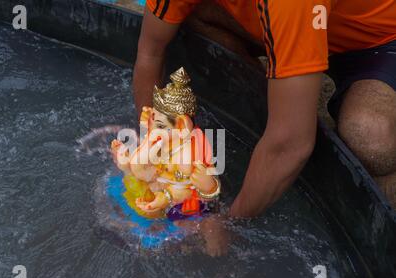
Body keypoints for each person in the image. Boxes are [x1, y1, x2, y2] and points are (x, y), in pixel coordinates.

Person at [133, 0, 396, 224]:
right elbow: (150, 53)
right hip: (288, 23)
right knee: (188, 18)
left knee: (371, 137)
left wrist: (227, 222)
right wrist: (152, 147)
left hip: (375, 38)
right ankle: (280, 101)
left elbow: (292, 145)